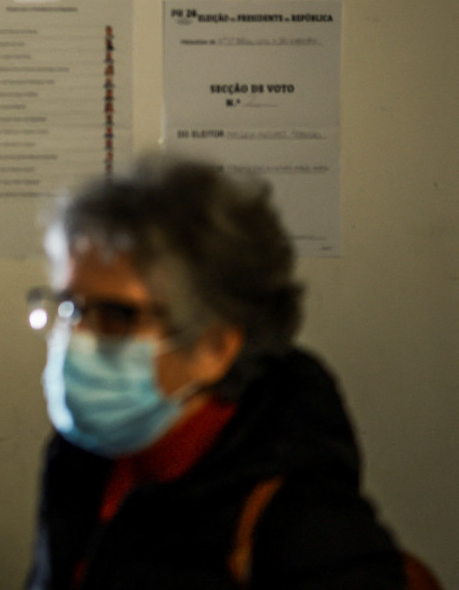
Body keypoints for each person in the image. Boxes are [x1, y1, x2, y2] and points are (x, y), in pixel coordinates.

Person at [25, 154, 405, 589]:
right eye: (71, 308)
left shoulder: (307, 528)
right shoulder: (83, 458)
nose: (77, 338)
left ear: (214, 347)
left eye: (115, 316)